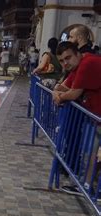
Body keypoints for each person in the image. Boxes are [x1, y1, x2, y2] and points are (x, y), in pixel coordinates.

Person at [52, 41, 101, 196]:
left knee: (90, 151)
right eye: (61, 60)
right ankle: (86, 185)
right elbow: (63, 87)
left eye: (68, 58)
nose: (65, 63)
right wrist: (57, 92)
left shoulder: (87, 63)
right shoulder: (80, 64)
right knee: (90, 151)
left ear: (77, 53)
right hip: (94, 116)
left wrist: (59, 97)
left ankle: (87, 186)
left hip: (96, 116)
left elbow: (73, 93)